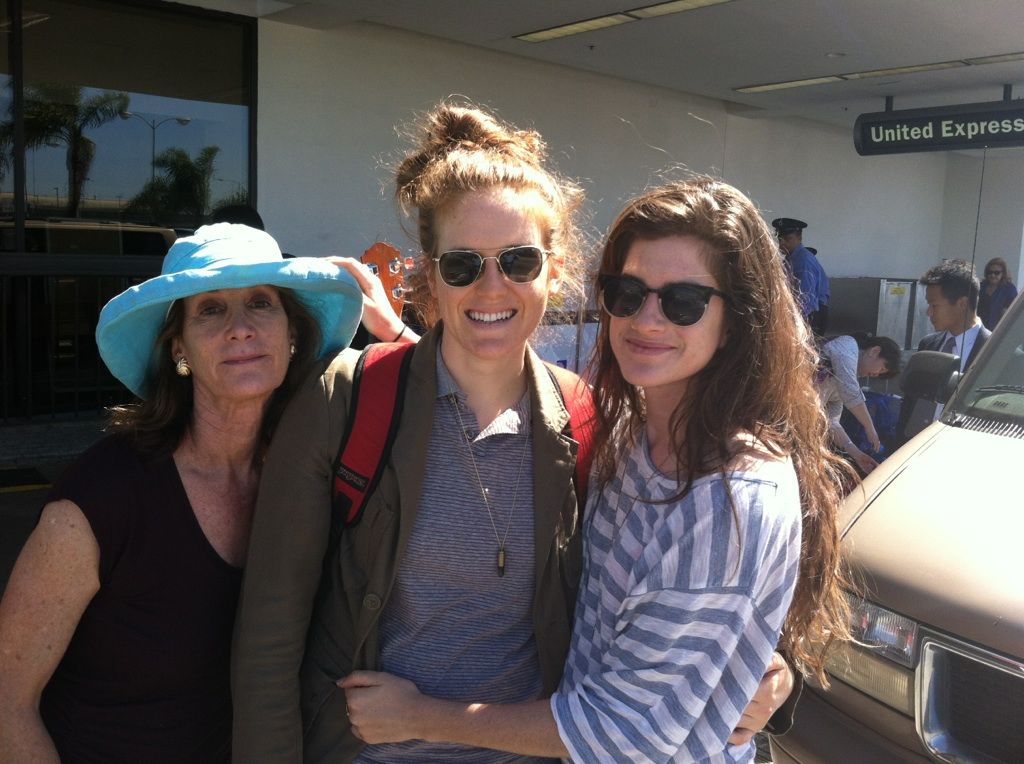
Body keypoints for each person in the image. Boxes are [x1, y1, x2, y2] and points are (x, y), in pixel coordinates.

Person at [231, 106, 794, 763]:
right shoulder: (347, 400)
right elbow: (269, 636)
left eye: (519, 261)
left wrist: (764, 668)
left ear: (553, 273)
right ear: (430, 274)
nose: (491, 286)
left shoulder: (589, 418)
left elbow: (687, 595)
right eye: (464, 264)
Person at [340, 179, 853, 762]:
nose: (648, 319)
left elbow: (623, 735)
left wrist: (418, 718)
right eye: (627, 292)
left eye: (682, 301)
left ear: (738, 318)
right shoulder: (620, 429)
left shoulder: (731, 496)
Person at [0, 223, 363, 762]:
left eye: (260, 303)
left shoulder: (308, 479)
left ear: (292, 334)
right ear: (180, 348)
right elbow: (9, 702)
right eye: (210, 310)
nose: (240, 328)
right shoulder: (103, 497)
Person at [897, 259, 991, 444]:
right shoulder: (928, 344)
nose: (929, 312)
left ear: (962, 303)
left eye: (935, 305)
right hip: (915, 447)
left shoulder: (993, 352)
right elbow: (911, 403)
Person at [815, 334, 902, 474]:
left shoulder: (845, 383)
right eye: (881, 369)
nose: (876, 375)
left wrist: (857, 454)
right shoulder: (848, 344)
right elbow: (849, 389)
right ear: (874, 351)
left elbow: (832, 422)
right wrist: (869, 427)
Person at [772, 217, 829, 336]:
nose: (782, 243)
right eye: (780, 239)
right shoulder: (790, 259)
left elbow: (806, 299)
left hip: (809, 316)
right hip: (801, 314)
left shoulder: (803, 261)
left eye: (788, 239)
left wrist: (794, 325)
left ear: (799, 238)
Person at [977, 256, 1017, 331]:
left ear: (1003, 273)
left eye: (997, 273)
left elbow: (1011, 313)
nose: (993, 275)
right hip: (979, 329)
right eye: (990, 272)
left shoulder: (1009, 289)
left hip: (998, 331)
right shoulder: (980, 286)